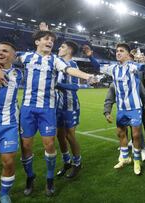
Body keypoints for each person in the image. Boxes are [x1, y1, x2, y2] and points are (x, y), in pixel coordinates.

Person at [0, 30, 97, 197]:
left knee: (49, 145)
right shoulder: (25, 57)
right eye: (46, 39)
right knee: (26, 148)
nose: (50, 42)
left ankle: (49, 180)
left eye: (52, 40)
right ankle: (30, 177)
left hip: (47, 109)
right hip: (27, 109)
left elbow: (69, 70)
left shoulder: (55, 60)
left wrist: (87, 76)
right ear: (37, 42)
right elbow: (0, 54)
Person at [86, 43, 145, 175]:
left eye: (121, 51)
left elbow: (141, 66)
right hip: (121, 108)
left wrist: (141, 60)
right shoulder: (113, 68)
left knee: (136, 135)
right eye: (117, 51)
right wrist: (91, 57)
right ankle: (125, 158)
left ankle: (136, 160)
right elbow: (98, 67)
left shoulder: (131, 66)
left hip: (134, 107)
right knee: (121, 133)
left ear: (127, 54)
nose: (118, 53)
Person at [0, 42, 22, 203]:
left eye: (5, 51)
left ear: (13, 56)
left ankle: (4, 193)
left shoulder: (19, 73)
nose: (0, 53)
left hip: (8, 124)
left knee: (9, 162)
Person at [55, 41, 82, 178]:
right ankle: (67, 162)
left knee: (70, 135)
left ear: (70, 50)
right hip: (57, 105)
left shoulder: (72, 65)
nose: (59, 48)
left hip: (70, 105)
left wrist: (57, 85)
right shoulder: (57, 62)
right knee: (60, 135)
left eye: (63, 47)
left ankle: (77, 163)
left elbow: (75, 87)